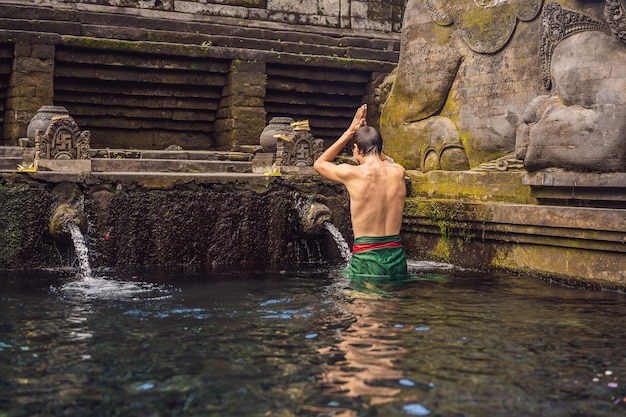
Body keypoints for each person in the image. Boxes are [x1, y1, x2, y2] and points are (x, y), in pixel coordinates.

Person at [313, 104, 408, 279]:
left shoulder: (353, 173)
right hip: (397, 258)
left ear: (356, 149)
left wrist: (350, 131)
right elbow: (383, 158)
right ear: (380, 148)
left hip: (367, 258)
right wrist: (371, 137)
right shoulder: (398, 171)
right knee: (392, 305)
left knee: (360, 305)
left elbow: (319, 164)